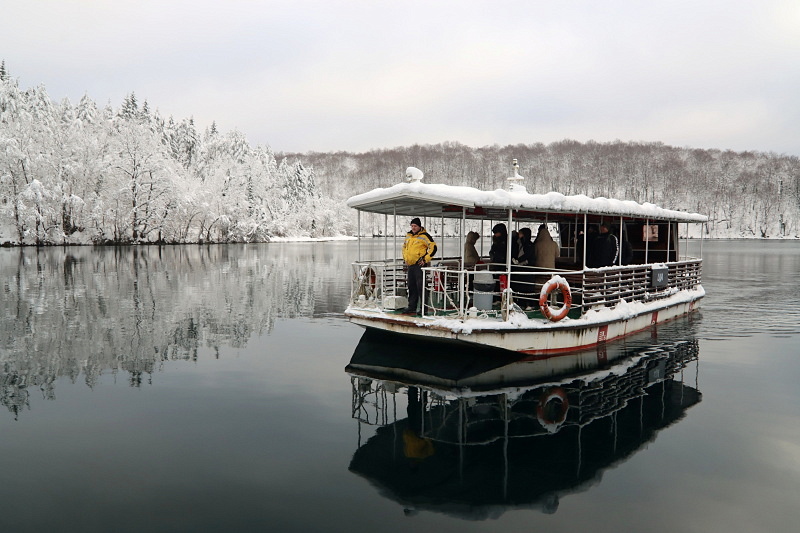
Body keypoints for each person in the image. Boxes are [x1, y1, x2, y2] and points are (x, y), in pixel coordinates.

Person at [401, 217, 437, 314]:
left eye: (415, 226)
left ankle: (423, 308)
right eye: (412, 226)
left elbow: (433, 248)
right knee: (411, 286)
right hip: (410, 265)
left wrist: (425, 259)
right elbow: (404, 248)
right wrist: (405, 258)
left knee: (421, 287)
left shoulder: (425, 236)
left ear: (419, 226)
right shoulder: (408, 236)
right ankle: (412, 306)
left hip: (419, 265)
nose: (413, 228)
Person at [512, 227, 535, 308]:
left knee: (528, 286)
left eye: (520, 233)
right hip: (522, 268)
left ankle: (530, 303)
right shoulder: (520, 244)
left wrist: (518, 260)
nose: (519, 235)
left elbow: (527, 255)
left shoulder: (528, 245)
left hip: (528, 269)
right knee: (521, 286)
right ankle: (522, 302)